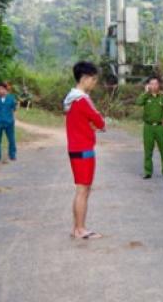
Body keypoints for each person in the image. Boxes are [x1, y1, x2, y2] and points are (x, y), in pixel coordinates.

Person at [64, 61, 106, 239]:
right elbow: (100, 121)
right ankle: (80, 229)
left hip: (76, 148)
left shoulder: (71, 99)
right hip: (83, 150)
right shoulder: (82, 100)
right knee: (83, 190)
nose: (94, 83)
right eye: (93, 79)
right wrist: (96, 125)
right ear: (85, 78)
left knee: (82, 189)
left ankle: (77, 228)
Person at [136, 76, 163, 179]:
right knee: (148, 150)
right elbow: (138, 102)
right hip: (148, 127)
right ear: (148, 85)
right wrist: (145, 92)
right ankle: (148, 172)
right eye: (151, 84)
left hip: (160, 127)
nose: (154, 86)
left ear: (159, 85)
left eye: (155, 84)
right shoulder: (146, 97)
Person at [0, 82, 18, 161]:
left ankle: (12, 155)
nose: (0, 91)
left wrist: (13, 119)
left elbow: (14, 109)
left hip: (9, 122)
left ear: (6, 90)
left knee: (11, 139)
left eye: (2, 89)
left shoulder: (11, 98)